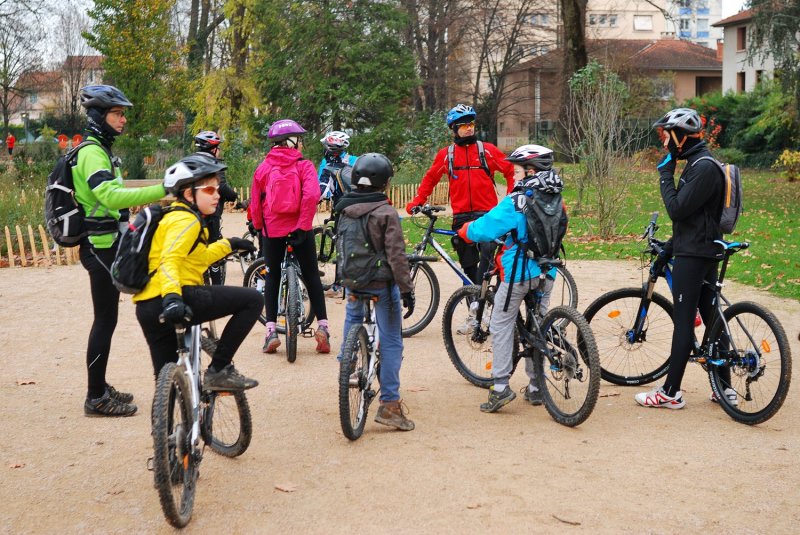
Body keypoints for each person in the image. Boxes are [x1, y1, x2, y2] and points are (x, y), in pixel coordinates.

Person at [74, 85, 168, 417]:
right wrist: (164, 189)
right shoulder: (91, 153)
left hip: (106, 243)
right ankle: (95, 397)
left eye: (123, 113)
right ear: (100, 116)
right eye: (118, 113)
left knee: (107, 319)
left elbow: (115, 190)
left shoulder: (99, 149)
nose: (123, 119)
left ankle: (98, 387)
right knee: (105, 319)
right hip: (99, 248)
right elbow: (110, 198)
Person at [133, 155, 260, 389]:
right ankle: (219, 369)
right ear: (190, 194)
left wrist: (230, 244)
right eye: (210, 189)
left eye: (218, 188)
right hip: (177, 296)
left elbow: (195, 260)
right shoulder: (187, 221)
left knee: (167, 387)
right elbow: (169, 260)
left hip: (148, 306)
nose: (217, 195)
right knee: (253, 300)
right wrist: (172, 297)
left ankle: (170, 426)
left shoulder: (172, 216)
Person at [457, 144, 567, 412]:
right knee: (537, 324)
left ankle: (500, 388)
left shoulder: (517, 200)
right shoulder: (555, 198)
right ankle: (535, 387)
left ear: (530, 171)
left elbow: (484, 229)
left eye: (516, 171)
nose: (513, 176)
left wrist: (465, 230)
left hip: (518, 273)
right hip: (548, 271)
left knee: (501, 323)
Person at [635, 107, 732, 409]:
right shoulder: (697, 163)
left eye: (666, 136)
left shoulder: (702, 167)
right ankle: (723, 388)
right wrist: (670, 246)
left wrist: (665, 175)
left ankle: (670, 392)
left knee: (683, 321)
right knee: (712, 317)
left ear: (680, 137)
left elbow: (677, 209)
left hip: (697, 253)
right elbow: (692, 217)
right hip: (697, 247)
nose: (664, 142)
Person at [335, 153, 416, 430]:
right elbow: (396, 255)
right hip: (381, 285)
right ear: (385, 183)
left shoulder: (343, 209)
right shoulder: (386, 212)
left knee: (353, 319)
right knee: (392, 339)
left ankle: (346, 366)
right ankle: (390, 403)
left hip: (353, 282)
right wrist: (407, 290)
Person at [405, 104, 515, 283]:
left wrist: (511, 198)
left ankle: (481, 296)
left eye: (471, 123)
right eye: (464, 125)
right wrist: (418, 200)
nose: (469, 127)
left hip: (487, 214)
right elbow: (430, 178)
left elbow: (510, 170)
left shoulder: (486, 150)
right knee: (467, 262)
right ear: (454, 129)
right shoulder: (446, 155)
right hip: (462, 215)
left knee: (488, 250)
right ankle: (475, 296)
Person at [249, 119, 331, 354]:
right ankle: (323, 328)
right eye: (300, 139)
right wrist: (302, 226)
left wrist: (258, 227)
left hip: (272, 231)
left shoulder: (263, 168)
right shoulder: (303, 165)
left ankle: (271, 331)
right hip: (300, 230)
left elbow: (256, 204)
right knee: (312, 275)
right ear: (291, 141)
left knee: (273, 276)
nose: (302, 144)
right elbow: (312, 195)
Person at [193, 130, 238, 286]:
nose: (220, 151)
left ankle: (201, 276)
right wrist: (234, 196)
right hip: (211, 215)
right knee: (214, 251)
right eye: (218, 147)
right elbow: (223, 187)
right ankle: (217, 287)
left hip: (194, 214)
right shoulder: (214, 165)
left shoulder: (191, 163)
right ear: (213, 149)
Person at [318, 130, 358, 204]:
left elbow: (320, 186)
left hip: (349, 199)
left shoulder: (353, 160)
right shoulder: (325, 162)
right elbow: (320, 182)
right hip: (343, 200)